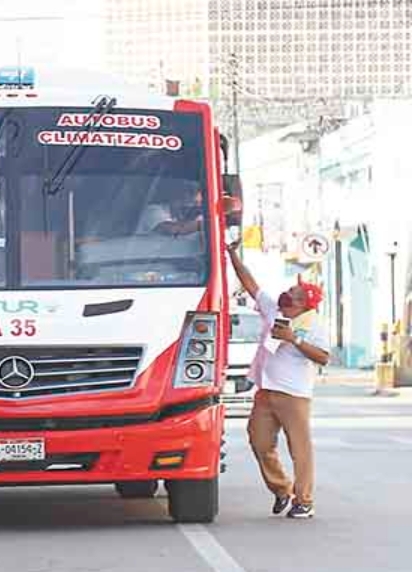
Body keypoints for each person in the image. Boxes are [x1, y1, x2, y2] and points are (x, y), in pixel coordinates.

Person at [227, 239, 330, 519]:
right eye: (288, 291)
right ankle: (282, 489)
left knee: (300, 449)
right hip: (265, 391)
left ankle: (304, 500)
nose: (286, 295)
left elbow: (323, 357)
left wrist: (294, 339)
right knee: (259, 441)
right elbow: (249, 283)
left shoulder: (313, 325)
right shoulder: (273, 309)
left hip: (294, 395)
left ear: (304, 304)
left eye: (293, 295)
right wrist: (232, 254)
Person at [137, 182, 204, 236]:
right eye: (193, 202)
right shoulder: (153, 211)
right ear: (176, 197)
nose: (192, 207)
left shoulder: (180, 217)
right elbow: (174, 230)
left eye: (198, 205)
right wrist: (204, 223)